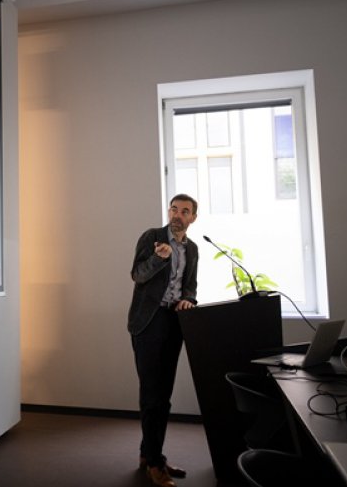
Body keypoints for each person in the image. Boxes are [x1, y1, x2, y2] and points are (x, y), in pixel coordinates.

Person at [128, 194, 199, 487]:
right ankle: (155, 462)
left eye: (184, 211)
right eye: (174, 209)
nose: (177, 215)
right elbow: (137, 275)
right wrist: (159, 258)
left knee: (163, 395)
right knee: (152, 394)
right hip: (149, 322)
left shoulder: (192, 248)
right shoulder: (152, 237)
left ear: (192, 218)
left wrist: (188, 299)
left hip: (173, 321)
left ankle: (149, 455)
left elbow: (190, 285)